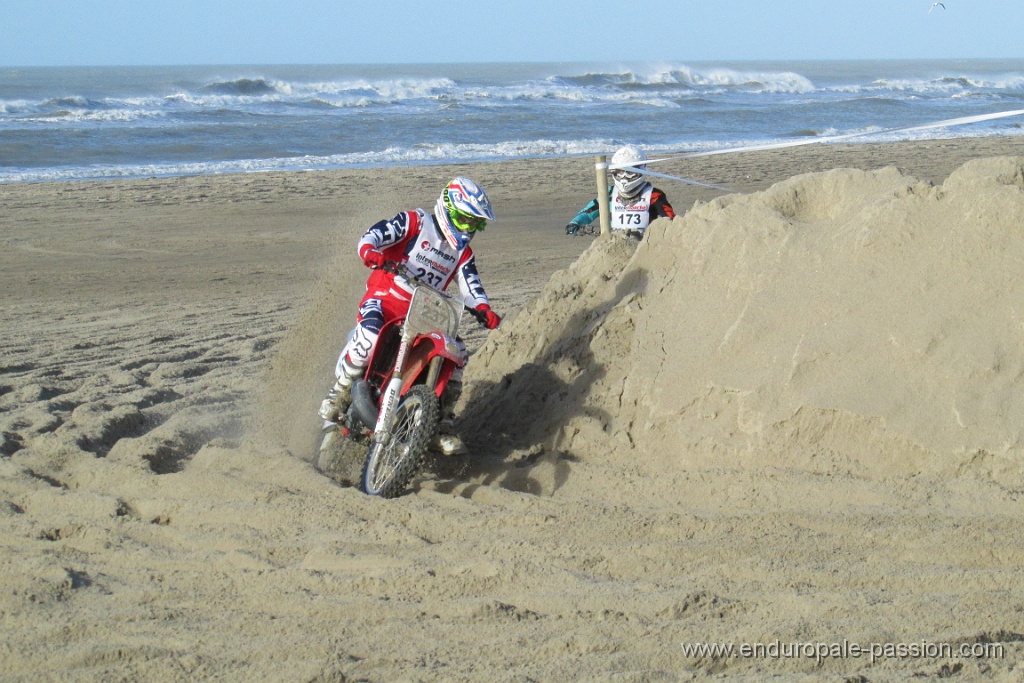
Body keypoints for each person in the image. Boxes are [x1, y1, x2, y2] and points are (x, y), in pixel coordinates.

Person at [319, 176, 502, 428]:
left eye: (475, 225)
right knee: (370, 334)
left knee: (457, 352)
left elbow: (471, 284)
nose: (467, 229)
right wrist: (370, 251)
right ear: (448, 208)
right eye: (464, 220)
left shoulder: (463, 253)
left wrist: (483, 307)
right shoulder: (414, 222)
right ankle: (338, 393)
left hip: (426, 312)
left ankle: (441, 418)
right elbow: (374, 235)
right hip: (385, 301)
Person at [565, 145, 675, 237]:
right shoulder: (609, 194)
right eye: (619, 172)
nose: (624, 177)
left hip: (644, 247)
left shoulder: (653, 195)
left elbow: (670, 220)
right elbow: (589, 212)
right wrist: (576, 222)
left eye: (629, 173)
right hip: (615, 244)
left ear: (641, 170)